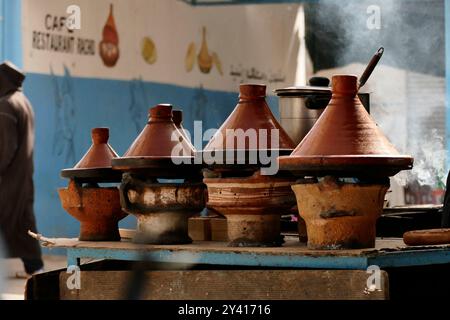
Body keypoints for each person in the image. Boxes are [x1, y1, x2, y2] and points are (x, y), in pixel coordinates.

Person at [0, 61, 43, 276]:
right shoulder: (24, 102)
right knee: (22, 221)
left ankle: (34, 266)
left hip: (8, 178)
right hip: (23, 175)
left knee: (11, 219)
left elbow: (5, 147)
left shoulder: (6, 105)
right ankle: (34, 267)